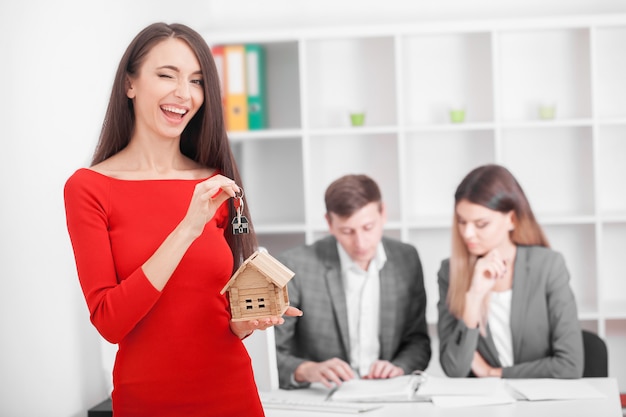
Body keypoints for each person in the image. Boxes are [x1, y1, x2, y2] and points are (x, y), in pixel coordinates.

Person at [63, 22, 300, 417]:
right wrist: (187, 228)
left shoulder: (215, 181)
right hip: (148, 402)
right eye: (166, 75)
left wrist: (248, 322)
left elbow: (218, 315)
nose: (183, 93)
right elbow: (110, 322)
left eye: (196, 80)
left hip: (233, 396)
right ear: (130, 84)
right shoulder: (89, 188)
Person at [274, 174, 431, 389]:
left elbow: (418, 341)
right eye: (347, 231)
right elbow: (271, 353)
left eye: (368, 227)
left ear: (383, 213)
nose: (360, 243)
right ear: (329, 223)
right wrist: (307, 370)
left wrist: (399, 367)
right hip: (320, 396)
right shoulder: (294, 265)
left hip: (388, 394)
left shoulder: (406, 258)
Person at [437, 164, 583, 379]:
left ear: (511, 220)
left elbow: (570, 365)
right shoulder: (451, 271)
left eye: (481, 224)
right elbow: (455, 370)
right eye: (461, 221)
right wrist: (474, 297)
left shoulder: (548, 266)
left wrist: (493, 373)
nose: (467, 233)